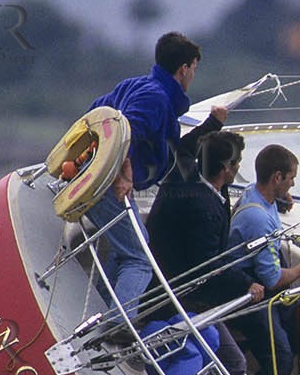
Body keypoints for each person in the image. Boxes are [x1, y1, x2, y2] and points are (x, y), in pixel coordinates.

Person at [84, 31, 226, 315]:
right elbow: (127, 132)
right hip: (109, 183)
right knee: (140, 260)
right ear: (183, 69)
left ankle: (99, 311)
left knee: (129, 249)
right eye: (194, 68)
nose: (193, 75)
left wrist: (212, 124)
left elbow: (95, 114)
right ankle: (118, 323)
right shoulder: (155, 97)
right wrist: (124, 173)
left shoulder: (136, 85)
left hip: (96, 176)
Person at [143, 131, 264, 375]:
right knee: (234, 363)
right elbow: (207, 263)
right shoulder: (204, 210)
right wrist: (247, 284)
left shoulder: (185, 173)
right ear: (225, 168)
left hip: (159, 277)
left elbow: (184, 148)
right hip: (179, 295)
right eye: (237, 163)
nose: (239, 168)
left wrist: (214, 125)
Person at [228, 143, 300, 375]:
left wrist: (279, 199)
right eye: (291, 178)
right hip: (249, 293)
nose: (293, 184)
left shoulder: (254, 192)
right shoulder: (258, 219)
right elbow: (272, 279)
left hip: (259, 276)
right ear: (277, 177)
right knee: (281, 359)